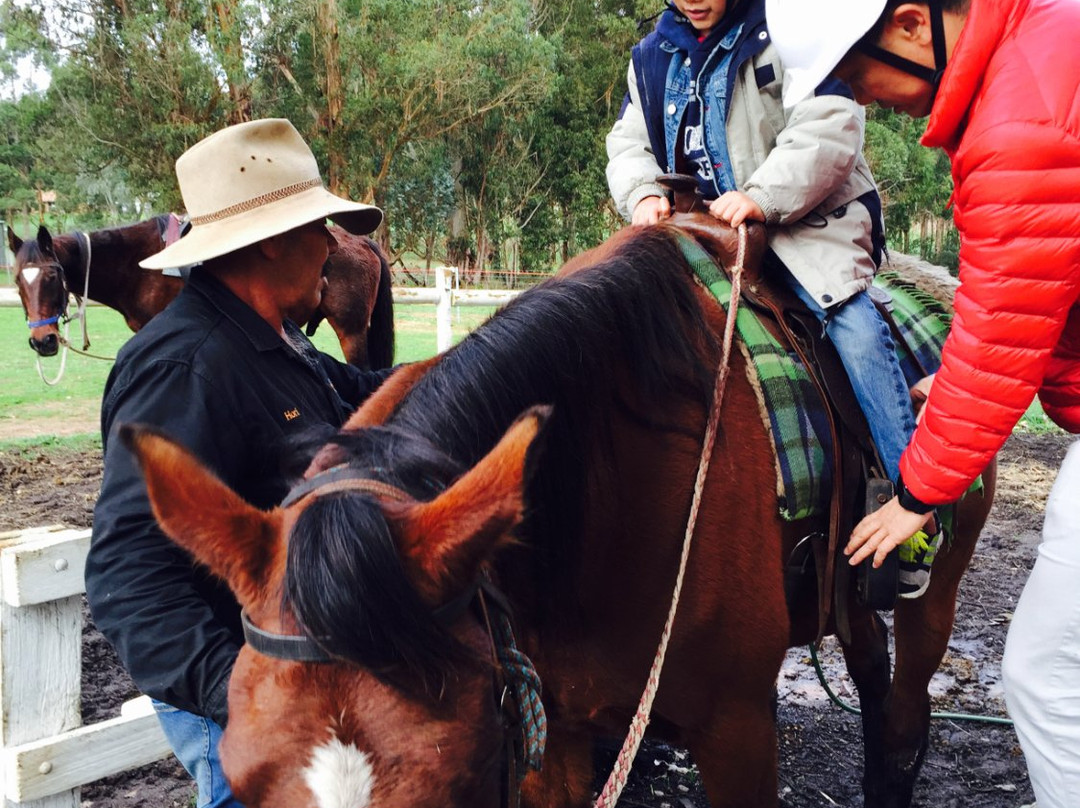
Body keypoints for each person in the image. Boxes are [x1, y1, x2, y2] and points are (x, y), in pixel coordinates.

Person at [766, 1, 1080, 804]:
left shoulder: (1018, 122)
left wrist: (919, 492)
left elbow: (1006, 314)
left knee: (1045, 678)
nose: (864, 99)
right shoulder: (1048, 42)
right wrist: (977, 370)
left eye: (854, 74)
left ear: (910, 25)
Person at [85, 118, 390, 808]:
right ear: (276, 239)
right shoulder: (182, 369)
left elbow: (365, 397)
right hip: (246, 708)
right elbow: (127, 576)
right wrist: (250, 692)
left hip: (297, 677)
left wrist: (492, 362)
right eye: (321, 228)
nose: (332, 246)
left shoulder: (277, 342)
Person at [605, 0, 935, 594]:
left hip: (804, 225)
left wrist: (761, 194)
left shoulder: (788, 34)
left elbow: (830, 123)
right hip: (702, 235)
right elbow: (629, 142)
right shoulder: (651, 57)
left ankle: (911, 496)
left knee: (853, 326)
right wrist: (641, 195)